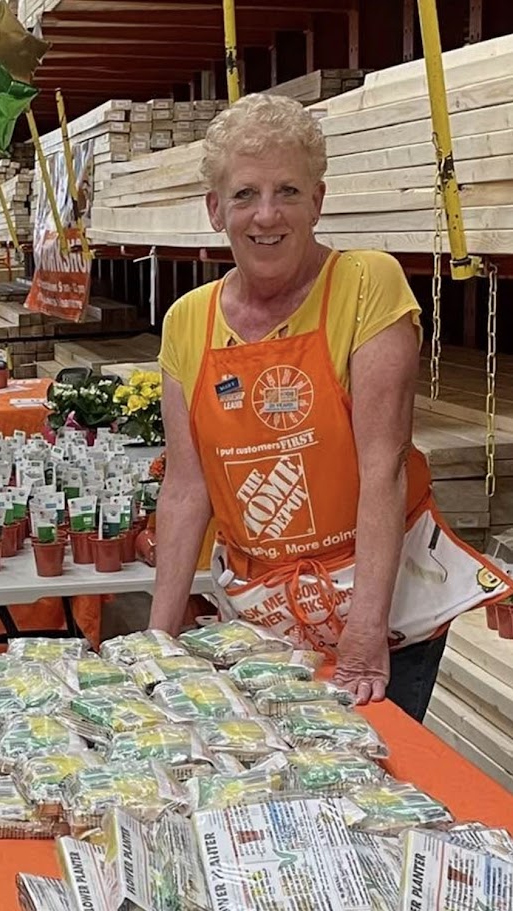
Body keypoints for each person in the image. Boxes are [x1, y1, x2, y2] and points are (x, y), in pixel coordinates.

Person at [149, 93, 513, 722]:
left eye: (288, 190)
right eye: (244, 194)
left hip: (380, 608)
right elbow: (186, 489)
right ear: (215, 210)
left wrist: (367, 638)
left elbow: (384, 467)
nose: (267, 215)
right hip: (260, 613)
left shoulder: (367, 285)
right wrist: (156, 642)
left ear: (318, 201)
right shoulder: (188, 321)